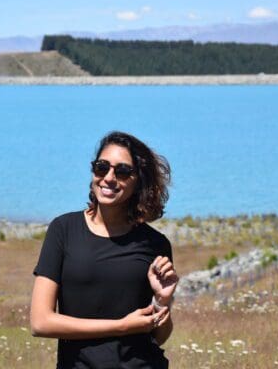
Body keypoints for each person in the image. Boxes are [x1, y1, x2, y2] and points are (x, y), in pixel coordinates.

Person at [30, 131, 178, 368]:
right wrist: (121, 326)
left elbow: (157, 337)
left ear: (138, 181)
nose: (109, 178)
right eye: (101, 167)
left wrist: (162, 302)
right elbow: (40, 322)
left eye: (122, 172)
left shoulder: (155, 244)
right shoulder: (64, 229)